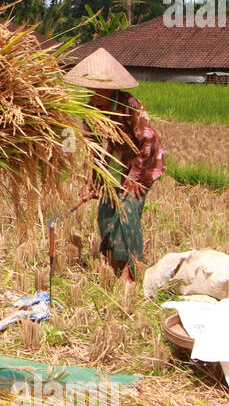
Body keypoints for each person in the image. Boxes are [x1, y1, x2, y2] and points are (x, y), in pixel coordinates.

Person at [64, 48, 165, 282]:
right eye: (88, 87)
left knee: (128, 209)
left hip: (143, 161)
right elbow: (94, 149)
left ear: (109, 87)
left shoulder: (129, 104)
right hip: (117, 160)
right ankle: (111, 260)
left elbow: (147, 140)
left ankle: (131, 271)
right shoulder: (90, 109)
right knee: (107, 208)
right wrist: (90, 182)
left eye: (95, 88)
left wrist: (135, 177)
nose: (90, 92)